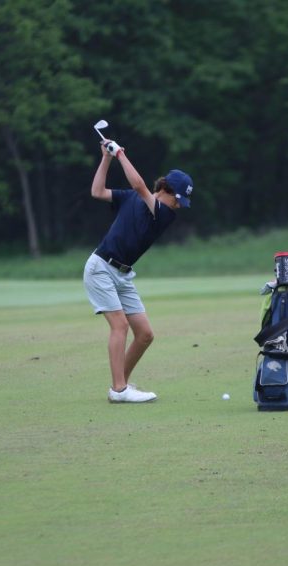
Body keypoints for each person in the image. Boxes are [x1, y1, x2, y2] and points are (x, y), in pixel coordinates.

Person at [84, 138, 193, 403]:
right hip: (100, 268)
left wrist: (119, 152)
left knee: (144, 335)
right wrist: (109, 157)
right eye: (177, 199)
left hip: (123, 274)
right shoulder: (131, 197)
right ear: (165, 189)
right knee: (120, 326)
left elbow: (139, 185)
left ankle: (120, 384)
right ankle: (119, 390)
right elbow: (97, 192)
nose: (179, 205)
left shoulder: (164, 214)